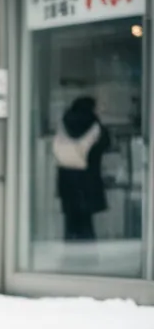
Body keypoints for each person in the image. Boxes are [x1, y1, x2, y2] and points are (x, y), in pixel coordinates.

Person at [53, 96, 111, 242]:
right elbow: (105, 144)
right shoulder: (95, 126)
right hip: (87, 180)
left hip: (66, 177)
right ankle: (88, 257)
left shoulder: (63, 123)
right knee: (86, 224)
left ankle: (67, 254)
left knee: (70, 221)